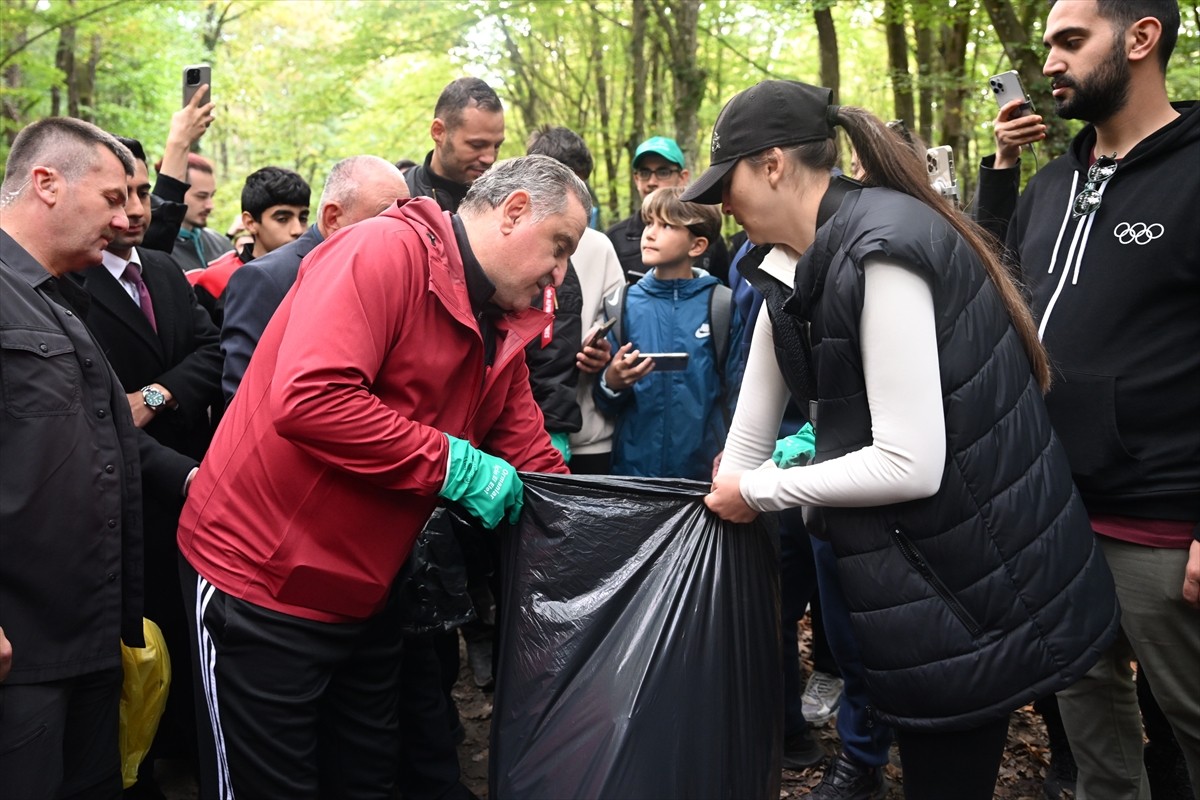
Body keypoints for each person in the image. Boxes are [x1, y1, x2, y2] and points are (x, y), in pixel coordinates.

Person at [694, 79, 1119, 799]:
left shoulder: (884, 249)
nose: (721, 206)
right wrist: (727, 488)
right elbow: (746, 439)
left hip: (978, 579)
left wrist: (759, 490)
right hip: (917, 577)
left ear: (772, 165)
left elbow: (909, 463)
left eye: (725, 185)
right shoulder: (787, 264)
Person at [176, 154, 590, 799]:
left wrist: (603, 531)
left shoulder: (498, 320)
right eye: (559, 247)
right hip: (263, 578)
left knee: (367, 779)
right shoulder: (383, 251)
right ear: (513, 212)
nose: (559, 275)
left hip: (369, 589)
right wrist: (454, 464)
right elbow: (312, 400)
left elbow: (529, 451)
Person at [974, 2, 1200, 796]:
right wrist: (1001, 170)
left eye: (1071, 41)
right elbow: (990, 290)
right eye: (1048, 46)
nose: (1049, 64)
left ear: (1141, 38)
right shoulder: (1052, 185)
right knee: (1091, 735)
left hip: (1163, 526)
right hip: (1055, 519)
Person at [71, 135, 223, 796]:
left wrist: (154, 395)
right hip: (123, 501)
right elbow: (94, 413)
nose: (135, 211)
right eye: (121, 195)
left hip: (194, 489)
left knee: (192, 643)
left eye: (142, 194)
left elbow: (213, 350)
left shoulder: (162, 270)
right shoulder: (67, 285)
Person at [0, 116, 144, 799]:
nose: (124, 217)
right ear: (47, 183)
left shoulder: (61, 299)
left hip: (87, 633)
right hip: (19, 652)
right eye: (112, 197)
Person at [220, 155, 409, 401]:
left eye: (406, 216)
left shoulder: (395, 273)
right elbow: (245, 398)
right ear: (333, 217)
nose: (402, 229)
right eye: (385, 218)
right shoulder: (266, 278)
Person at [595, 186, 740, 481]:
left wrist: (735, 454)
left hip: (704, 475)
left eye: (667, 226)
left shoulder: (723, 304)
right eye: (649, 222)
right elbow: (604, 402)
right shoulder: (621, 304)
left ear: (697, 246)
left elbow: (739, 392)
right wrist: (611, 381)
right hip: (633, 475)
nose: (649, 234)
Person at [526, 125, 627, 476]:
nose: (576, 201)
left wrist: (602, 349)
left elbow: (617, 322)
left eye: (581, 188)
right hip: (519, 432)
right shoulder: (510, 245)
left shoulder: (599, 246)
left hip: (590, 434)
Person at [186, 165, 310, 326]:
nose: (298, 230)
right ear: (250, 223)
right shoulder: (217, 282)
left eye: (303, 218)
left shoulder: (314, 274)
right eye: (282, 219)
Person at [606, 135, 730, 284]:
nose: (652, 182)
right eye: (644, 173)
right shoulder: (614, 239)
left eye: (663, 172)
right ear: (636, 179)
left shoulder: (705, 234)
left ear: (683, 177)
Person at [406, 77, 505, 213]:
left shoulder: (504, 205)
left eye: (497, 146)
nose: (490, 158)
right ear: (438, 132)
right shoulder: (399, 197)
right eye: (477, 145)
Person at [167, 152, 234, 272]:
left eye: (211, 196)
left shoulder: (222, 245)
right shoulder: (159, 252)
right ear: (176, 192)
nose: (210, 205)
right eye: (201, 196)